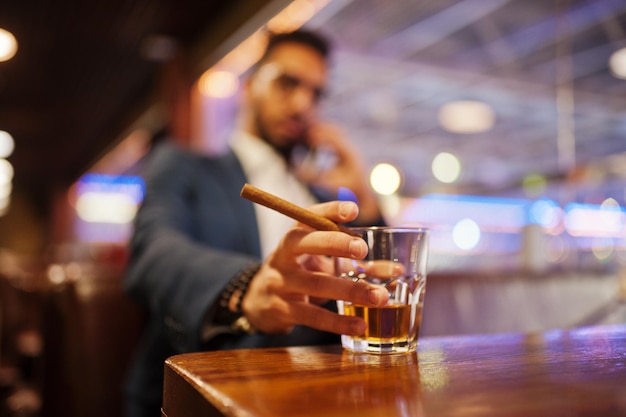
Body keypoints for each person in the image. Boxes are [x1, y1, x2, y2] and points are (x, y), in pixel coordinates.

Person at [123, 28, 387, 417]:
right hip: (200, 397)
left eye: (315, 94)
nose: (302, 105)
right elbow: (153, 251)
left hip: (322, 397)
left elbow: (384, 276)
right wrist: (244, 289)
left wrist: (364, 193)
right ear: (248, 87)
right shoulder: (185, 165)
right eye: (287, 82)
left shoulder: (320, 199)